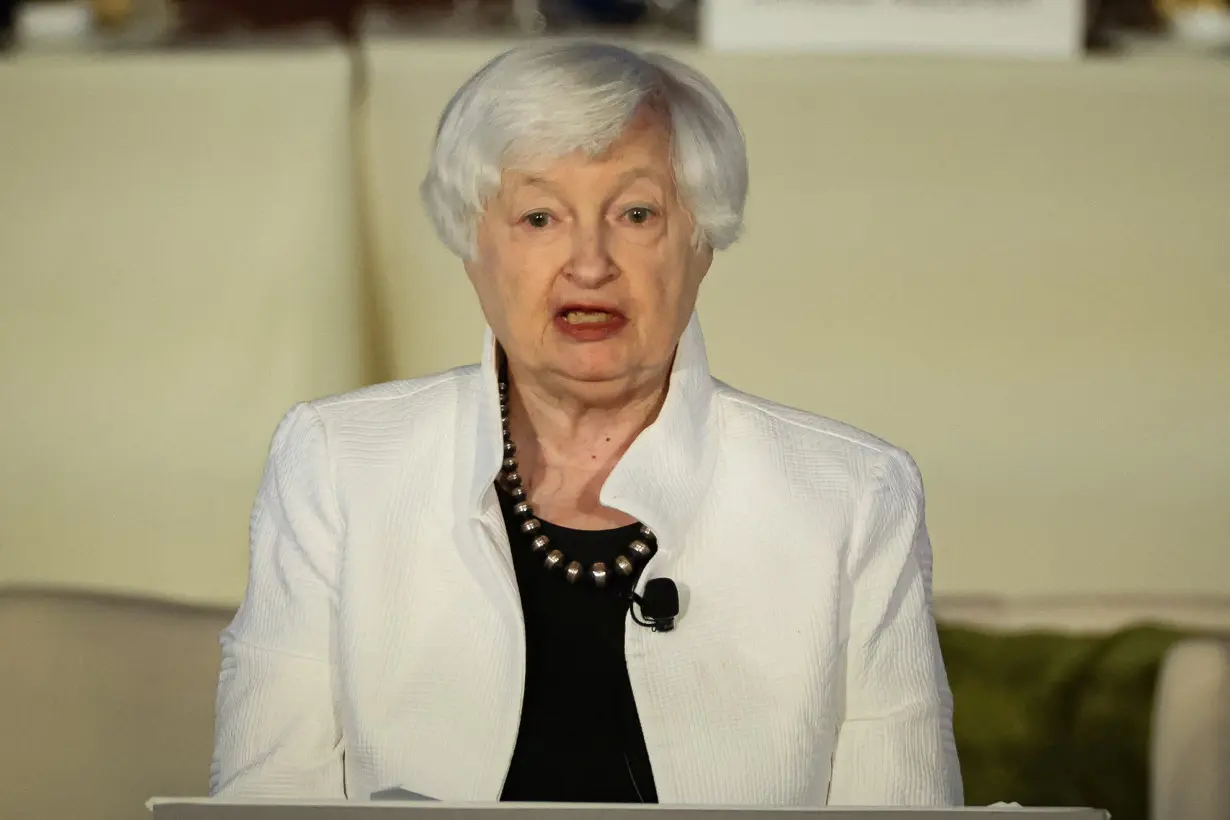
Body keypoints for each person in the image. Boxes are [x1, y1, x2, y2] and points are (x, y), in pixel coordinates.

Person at [209, 40, 963, 807]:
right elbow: (264, 799)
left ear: (702, 241)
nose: (590, 263)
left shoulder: (852, 496)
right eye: (539, 216)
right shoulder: (338, 465)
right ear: (472, 246)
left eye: (637, 214)